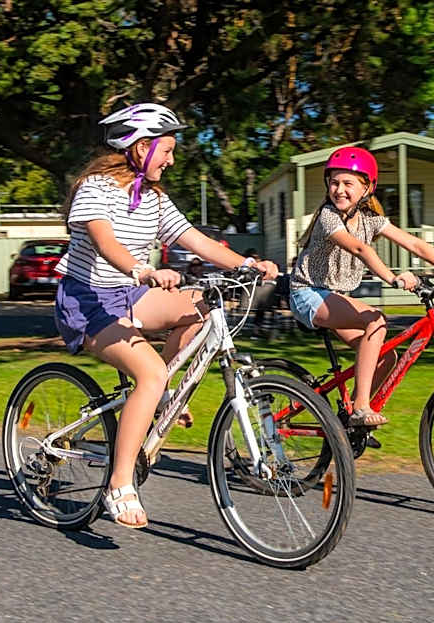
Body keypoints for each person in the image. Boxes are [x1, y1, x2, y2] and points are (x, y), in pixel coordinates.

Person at [53, 102, 278, 529]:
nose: (172, 159)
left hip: (131, 293)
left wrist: (246, 264)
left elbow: (195, 239)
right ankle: (119, 484)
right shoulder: (96, 188)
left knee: (201, 307)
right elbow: (104, 241)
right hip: (87, 298)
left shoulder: (154, 199)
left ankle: (161, 401)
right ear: (140, 147)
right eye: (167, 149)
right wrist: (142, 268)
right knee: (150, 374)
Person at [289, 146, 434, 426]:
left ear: (367, 187)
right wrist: (393, 278)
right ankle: (361, 408)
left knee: (386, 356)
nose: (339, 189)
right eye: (334, 182)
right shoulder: (328, 216)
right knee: (376, 320)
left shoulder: (371, 220)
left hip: (332, 297)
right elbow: (360, 249)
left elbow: (414, 243)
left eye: (348, 183)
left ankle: (350, 420)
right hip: (307, 294)